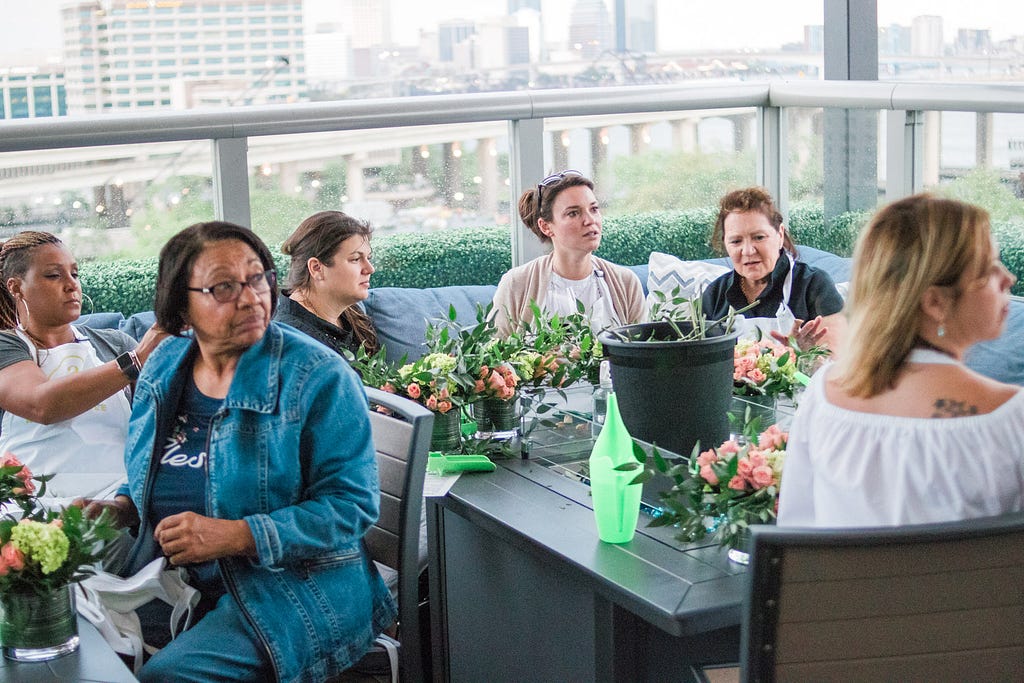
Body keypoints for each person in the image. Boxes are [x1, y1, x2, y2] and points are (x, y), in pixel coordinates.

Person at [94, 222, 395, 681]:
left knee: (167, 676)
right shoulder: (164, 366)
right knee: (76, 642)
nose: (252, 297)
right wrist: (121, 505)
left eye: (258, 279)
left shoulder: (317, 376)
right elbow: (159, 463)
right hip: (177, 576)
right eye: (223, 287)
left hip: (295, 588)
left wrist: (235, 535)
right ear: (181, 306)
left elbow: (350, 508)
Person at [778, 195, 1023, 528]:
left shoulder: (824, 397)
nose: (1009, 278)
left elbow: (796, 535)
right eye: (989, 268)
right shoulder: (1011, 420)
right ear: (936, 302)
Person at [0, 231, 165, 505]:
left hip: (118, 502)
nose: (71, 285)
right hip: (33, 509)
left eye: (74, 274)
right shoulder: (7, 345)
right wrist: (135, 360)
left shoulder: (114, 343)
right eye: (54, 275)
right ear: (16, 287)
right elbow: (42, 405)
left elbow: (155, 421)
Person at [491, 170, 645, 336]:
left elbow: (642, 354)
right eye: (573, 213)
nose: (590, 220)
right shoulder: (516, 284)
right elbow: (493, 355)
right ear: (546, 226)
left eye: (593, 209)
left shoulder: (626, 282)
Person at [701, 187, 845, 351]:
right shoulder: (715, 296)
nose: (748, 251)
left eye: (759, 237)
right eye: (736, 241)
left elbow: (838, 363)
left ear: (780, 235)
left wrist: (804, 356)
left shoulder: (814, 285)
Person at [275, 210, 380, 357]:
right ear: (317, 268)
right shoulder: (292, 342)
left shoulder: (353, 316)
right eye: (355, 259)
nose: (370, 269)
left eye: (369, 258)